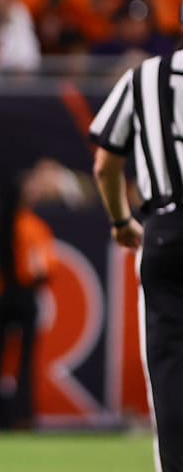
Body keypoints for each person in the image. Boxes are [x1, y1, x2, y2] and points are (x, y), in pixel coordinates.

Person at [90, 52, 183, 472]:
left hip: (165, 229)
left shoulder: (145, 77)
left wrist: (120, 220)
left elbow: (105, 165)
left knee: (170, 371)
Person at [0, 174, 53, 430]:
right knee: (24, 358)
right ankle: (22, 414)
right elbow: (43, 268)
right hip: (22, 294)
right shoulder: (32, 227)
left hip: (1, 294)